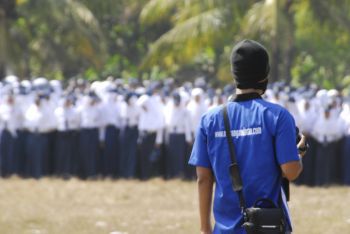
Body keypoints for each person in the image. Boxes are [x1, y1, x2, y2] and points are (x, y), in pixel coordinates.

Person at [189, 39, 306, 234]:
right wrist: (299, 153)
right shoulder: (278, 116)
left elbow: (203, 179)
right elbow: (291, 171)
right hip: (267, 227)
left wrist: (204, 229)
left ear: (235, 75)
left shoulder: (209, 120)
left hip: (224, 229)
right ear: (265, 75)